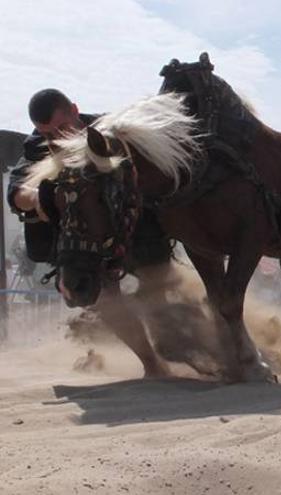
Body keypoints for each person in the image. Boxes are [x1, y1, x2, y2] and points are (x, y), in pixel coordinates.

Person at [7, 89, 175, 376]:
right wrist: (38, 197)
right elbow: (16, 192)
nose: (56, 138)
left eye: (62, 128)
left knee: (160, 292)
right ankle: (152, 364)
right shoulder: (38, 148)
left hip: (138, 235)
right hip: (87, 245)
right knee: (108, 302)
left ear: (75, 110)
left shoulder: (112, 133)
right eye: (47, 133)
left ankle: (194, 345)